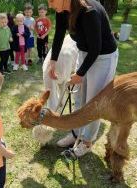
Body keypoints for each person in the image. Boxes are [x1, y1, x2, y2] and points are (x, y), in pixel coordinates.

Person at [48, 0, 119, 157]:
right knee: (79, 98)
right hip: (84, 52)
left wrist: (80, 74)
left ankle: (87, 142)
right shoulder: (61, 10)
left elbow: (96, 48)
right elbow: (59, 33)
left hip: (103, 57)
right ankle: (76, 133)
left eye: (51, 0)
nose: (50, 5)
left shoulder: (89, 12)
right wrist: (53, 61)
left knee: (93, 102)